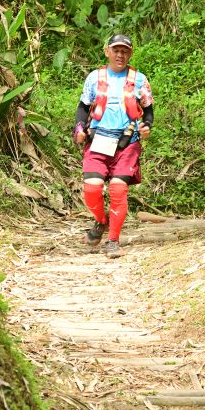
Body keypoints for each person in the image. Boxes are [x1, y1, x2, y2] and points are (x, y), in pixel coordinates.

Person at [74, 34, 154, 259]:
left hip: (127, 143)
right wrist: (79, 129)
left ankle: (113, 241)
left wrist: (147, 126)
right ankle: (101, 221)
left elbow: (148, 110)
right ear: (107, 51)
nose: (120, 55)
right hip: (98, 140)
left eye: (125, 51)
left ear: (130, 53)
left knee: (118, 189)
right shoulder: (94, 78)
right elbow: (83, 107)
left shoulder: (139, 80)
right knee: (92, 188)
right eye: (116, 50)